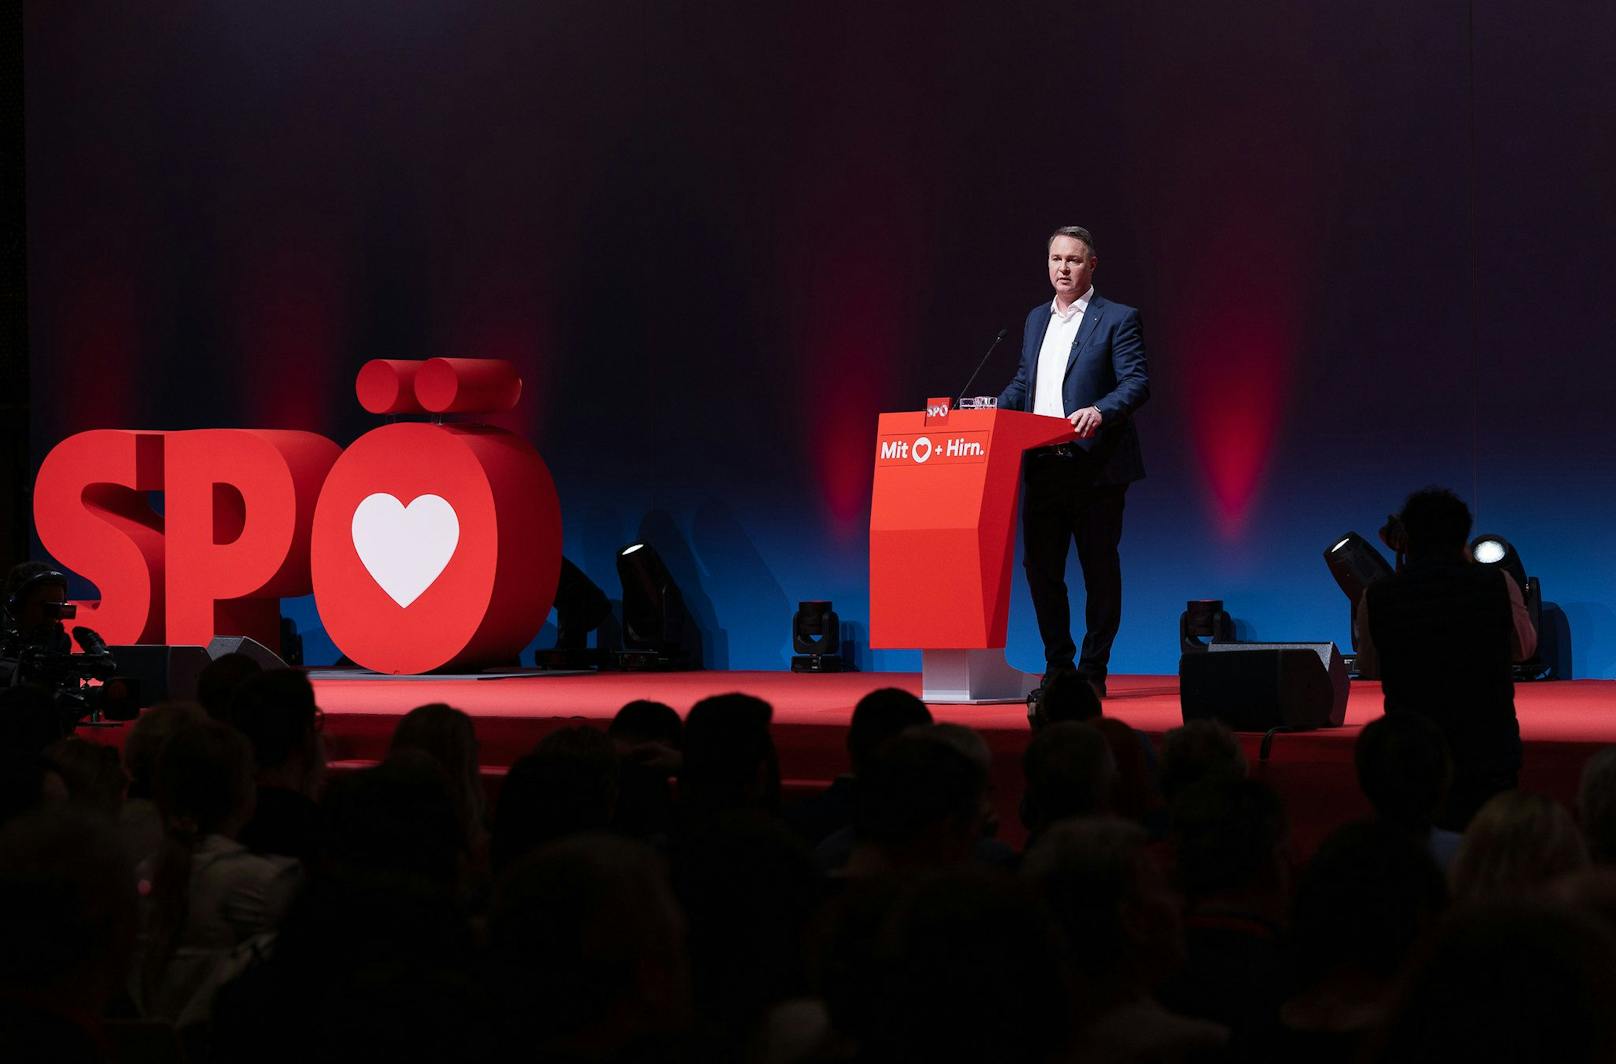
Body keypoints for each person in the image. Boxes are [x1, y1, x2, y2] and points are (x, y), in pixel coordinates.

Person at [998, 226, 1150, 697]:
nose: (1063, 268)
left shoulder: (1118, 318)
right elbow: (1026, 383)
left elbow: (1136, 381)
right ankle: (1059, 668)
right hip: (1043, 466)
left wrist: (1101, 410)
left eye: (1074, 260)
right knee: (1041, 570)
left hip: (1095, 466)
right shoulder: (1034, 320)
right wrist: (987, 414)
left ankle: (1092, 672)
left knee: (1098, 569)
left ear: (1092, 265)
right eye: (1056, 259)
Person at [1356, 487, 1537, 830]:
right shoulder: (1498, 583)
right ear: (1463, 535)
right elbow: (1524, 649)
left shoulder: (1377, 596)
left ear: (1405, 539)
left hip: (1412, 752)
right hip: (1489, 751)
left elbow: (1369, 667)